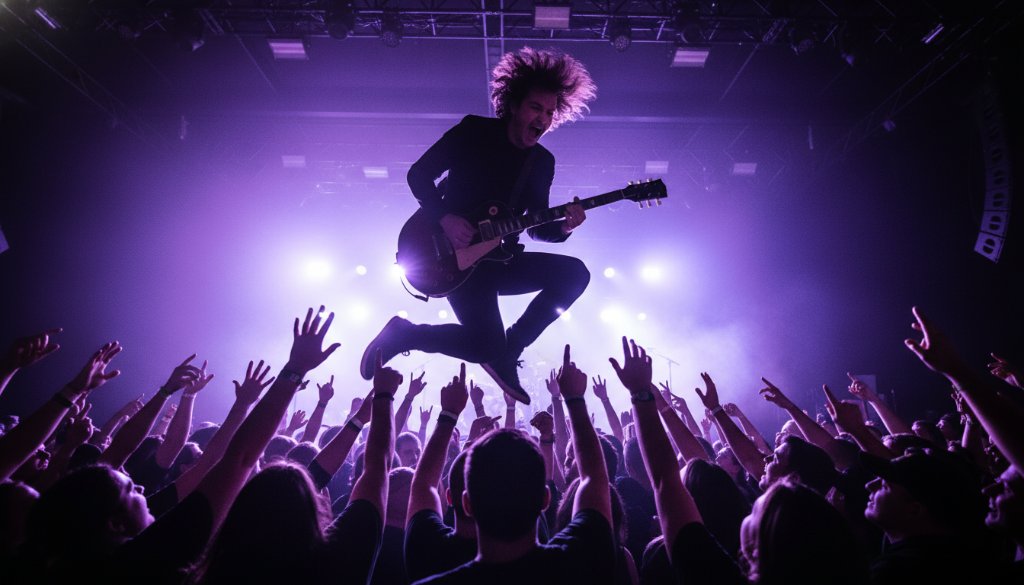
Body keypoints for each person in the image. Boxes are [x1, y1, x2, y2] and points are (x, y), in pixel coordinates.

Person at [360, 47, 597, 404]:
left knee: (574, 274)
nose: (543, 118)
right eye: (536, 107)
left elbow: (536, 225)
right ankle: (405, 334)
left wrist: (565, 226)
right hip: (450, 257)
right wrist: (444, 217)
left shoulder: (541, 162)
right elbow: (419, 175)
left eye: (550, 112)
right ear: (514, 105)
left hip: (500, 258)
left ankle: (510, 347)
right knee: (483, 343)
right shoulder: (475, 131)